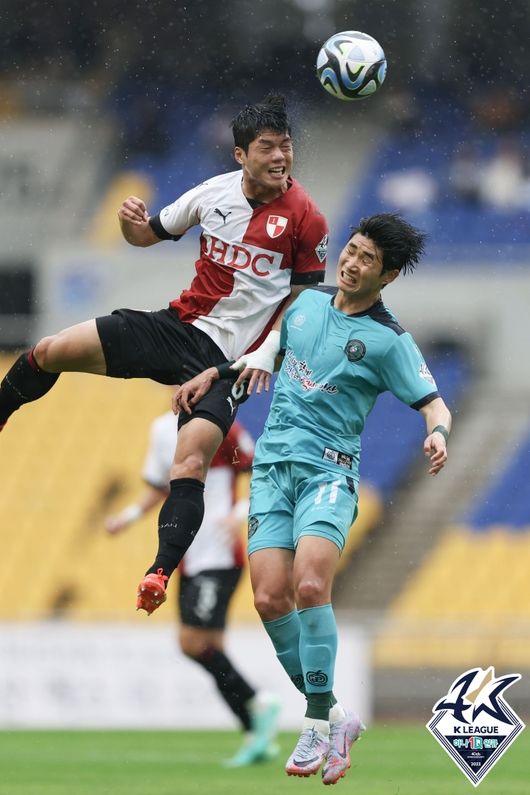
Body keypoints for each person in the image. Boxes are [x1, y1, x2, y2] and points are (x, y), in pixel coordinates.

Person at [0, 93, 328, 613]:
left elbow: (306, 302)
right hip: (174, 328)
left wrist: (259, 359)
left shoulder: (307, 219)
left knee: (191, 460)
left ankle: (158, 572)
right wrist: (132, 222)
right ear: (241, 154)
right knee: (50, 349)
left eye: (285, 146)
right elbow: (147, 235)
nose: (280, 157)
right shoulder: (213, 194)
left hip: (227, 365)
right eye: (267, 147)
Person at [173, 212, 452, 784]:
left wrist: (437, 433)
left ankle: (315, 722)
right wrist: (214, 374)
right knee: (270, 599)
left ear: (388, 276)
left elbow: (434, 402)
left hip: (329, 472)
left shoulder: (389, 340)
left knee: (307, 586)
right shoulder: (303, 305)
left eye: (367, 260)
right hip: (273, 473)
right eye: (350, 251)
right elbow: (261, 357)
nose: (351, 263)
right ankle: (338, 717)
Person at [105, 411, 280, 766]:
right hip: (186, 555)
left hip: (218, 552)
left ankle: (257, 704)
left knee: (195, 642)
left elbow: (263, 470)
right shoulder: (161, 430)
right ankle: (255, 728)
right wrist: (128, 517)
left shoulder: (220, 424)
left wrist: (243, 510)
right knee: (204, 646)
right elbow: (160, 486)